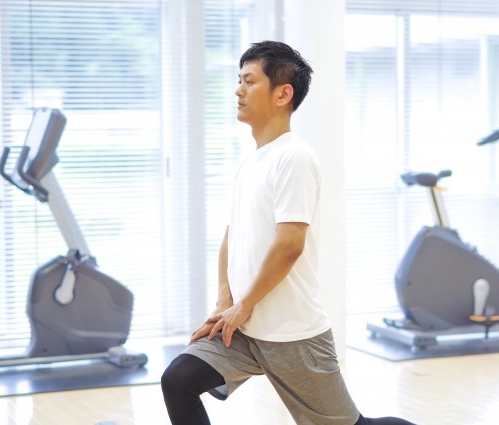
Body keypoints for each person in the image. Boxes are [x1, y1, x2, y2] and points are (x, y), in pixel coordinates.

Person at [161, 40, 416, 425]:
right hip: (243, 330)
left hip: (293, 334)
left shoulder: (293, 157)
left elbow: (290, 244)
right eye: (238, 80)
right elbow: (232, 237)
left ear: (282, 94)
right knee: (178, 380)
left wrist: (244, 304)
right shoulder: (250, 161)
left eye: (249, 81)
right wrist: (225, 301)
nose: (238, 90)